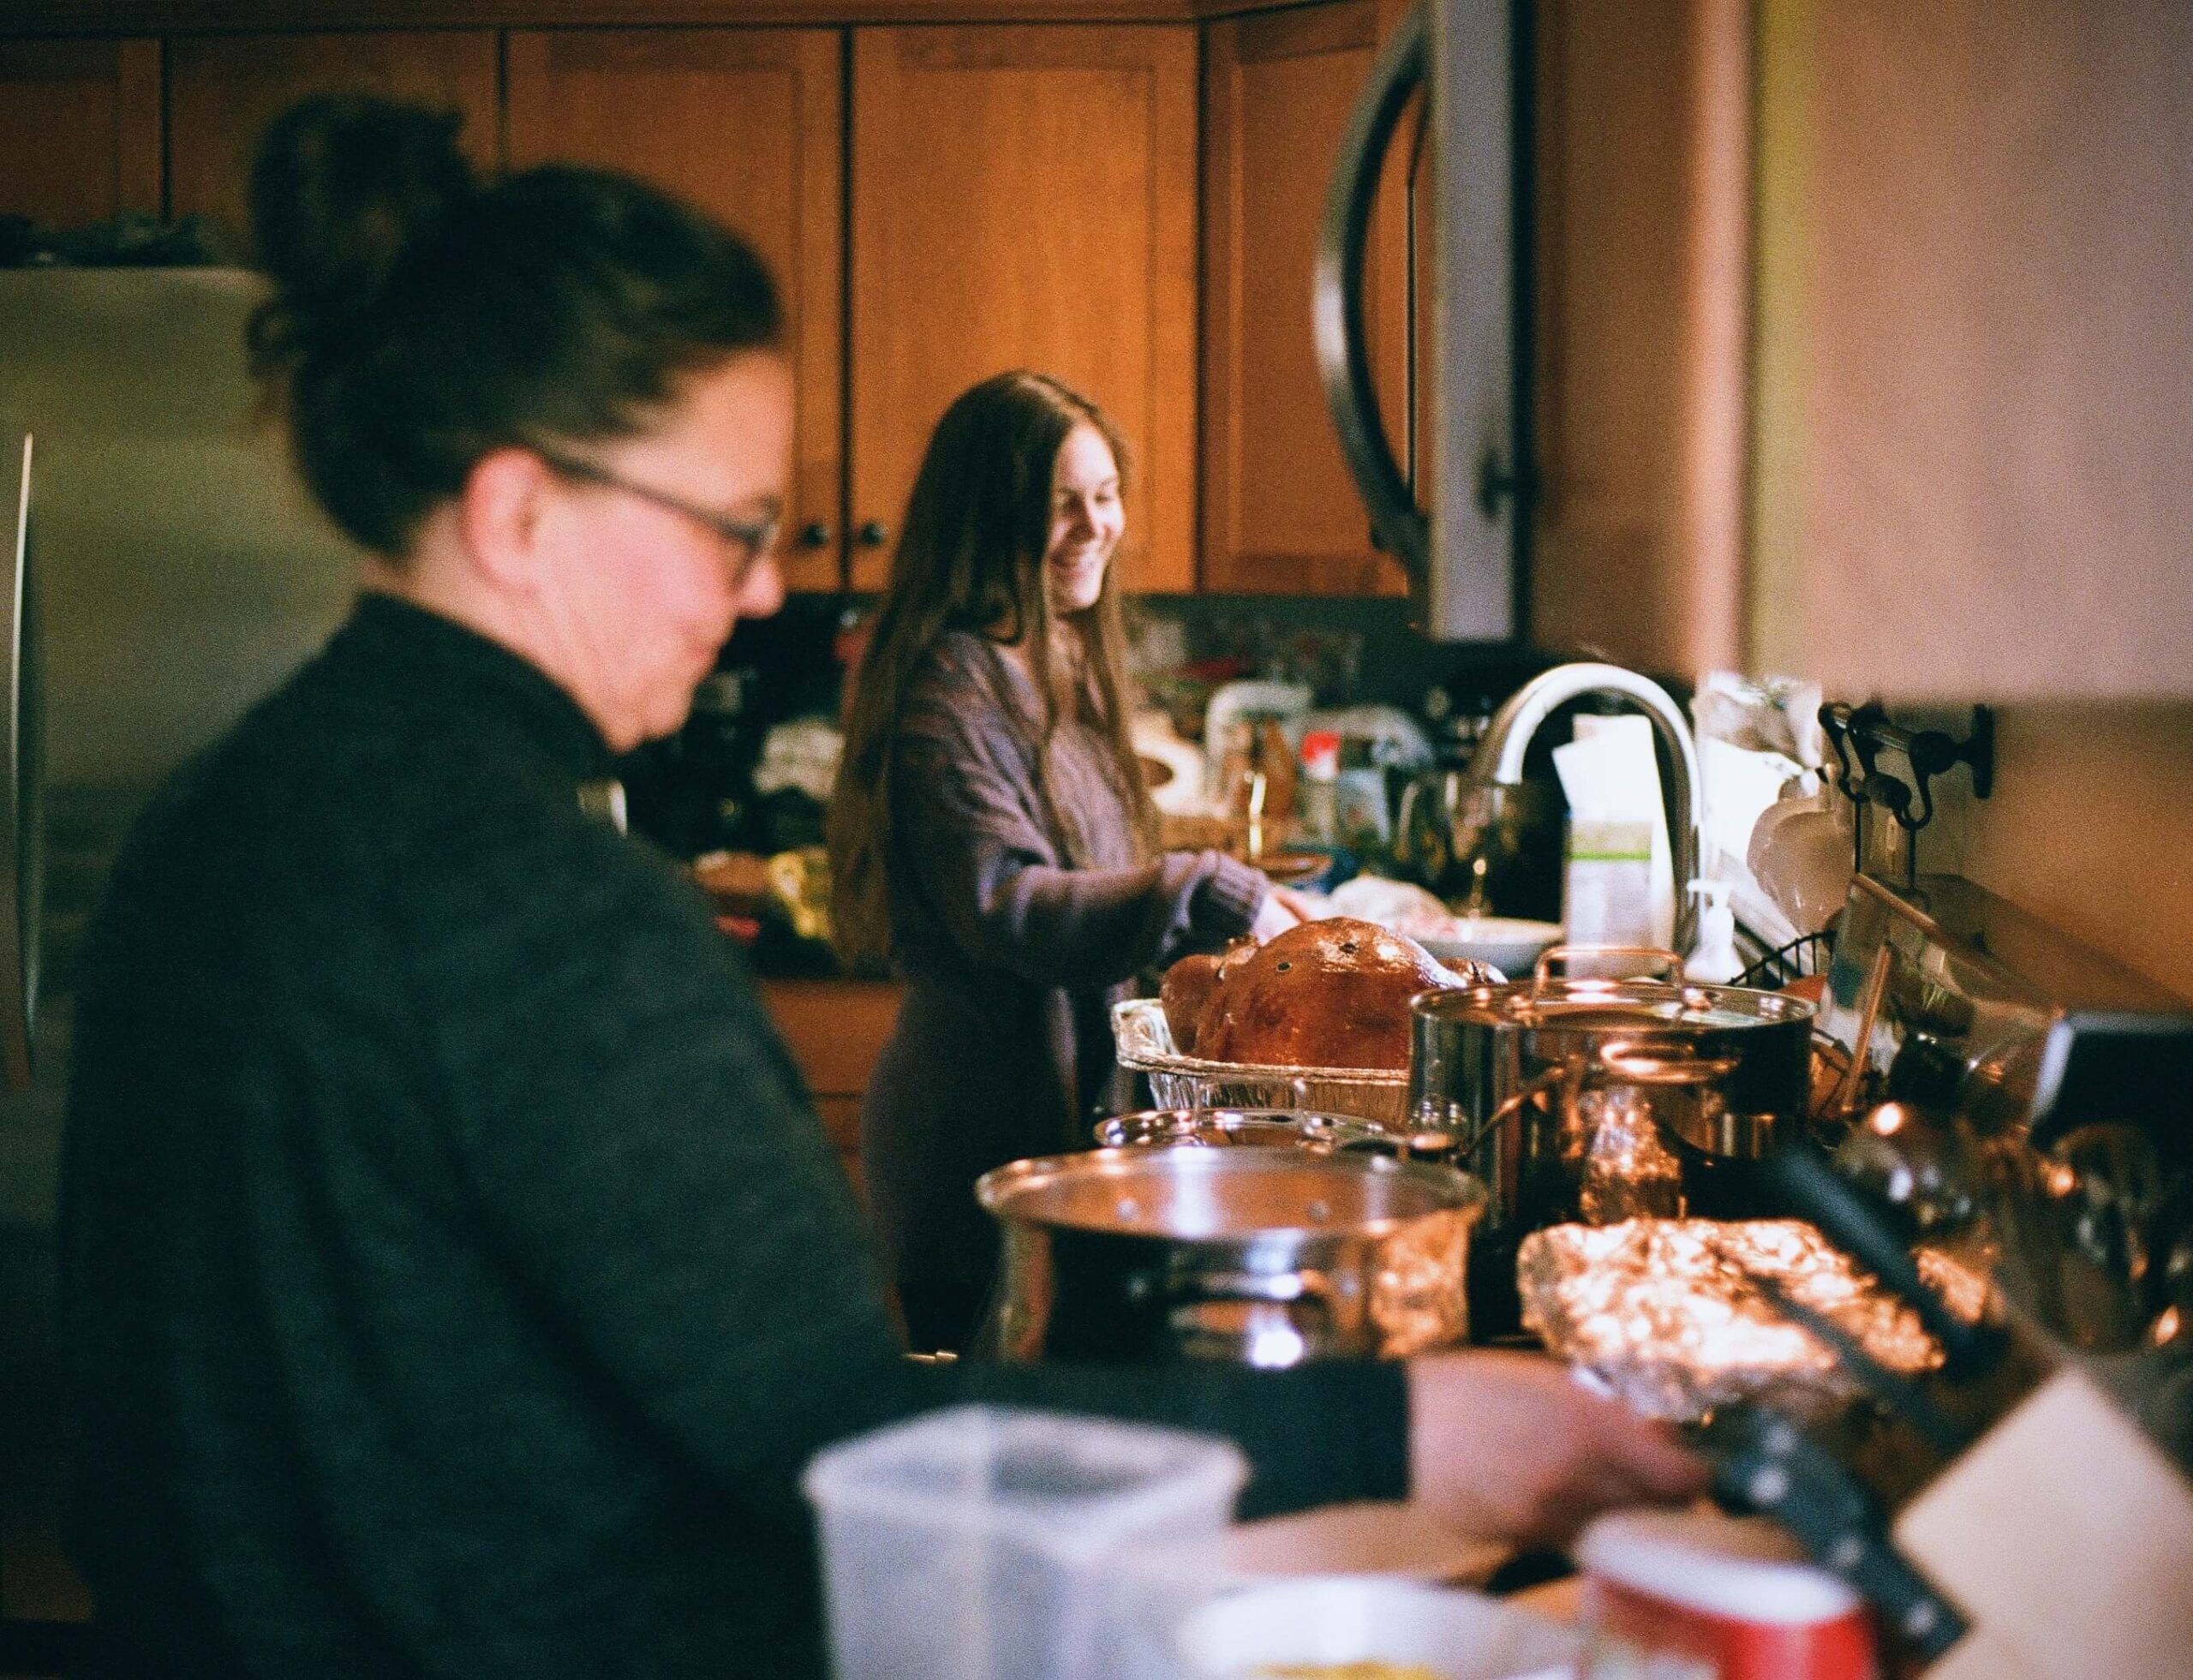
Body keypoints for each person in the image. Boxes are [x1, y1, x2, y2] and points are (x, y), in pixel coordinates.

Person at [58, 97, 1700, 1680]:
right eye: (734, 526)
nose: (768, 584)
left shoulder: (213, 826)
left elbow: (163, 1456)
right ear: (518, 513)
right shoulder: (548, 915)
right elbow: (848, 1444)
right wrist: (1419, 1433)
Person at [829, 372, 1297, 1350]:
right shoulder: (952, 683)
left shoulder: (1056, 660)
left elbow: (1095, 860)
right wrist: (1204, 884)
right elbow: (1009, 904)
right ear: (986, 519)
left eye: (1105, 495)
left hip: (1051, 1139)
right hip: (973, 1158)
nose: (1094, 525)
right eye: (1059, 504)